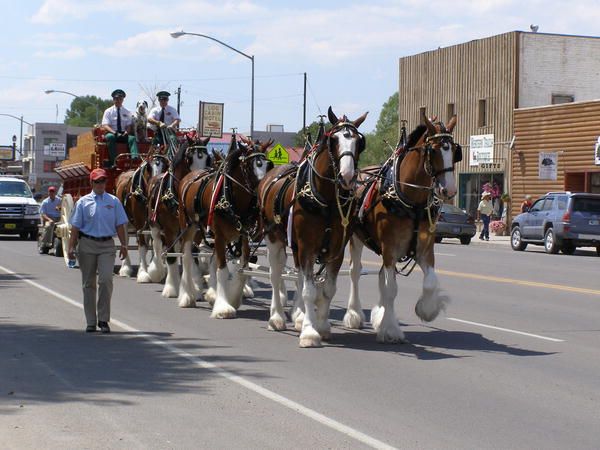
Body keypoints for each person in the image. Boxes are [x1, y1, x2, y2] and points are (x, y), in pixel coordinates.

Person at [67, 168, 129, 334]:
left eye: (103, 181)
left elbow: (120, 224)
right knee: (88, 284)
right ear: (91, 183)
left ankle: (103, 319)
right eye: (97, 181)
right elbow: (75, 227)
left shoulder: (114, 201)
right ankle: (91, 321)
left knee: (106, 280)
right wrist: (71, 247)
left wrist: (124, 245)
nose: (100, 184)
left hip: (107, 245)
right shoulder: (83, 202)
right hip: (87, 244)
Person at [101, 89, 139, 167]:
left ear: (123, 100)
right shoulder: (108, 111)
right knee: (110, 137)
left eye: (120, 99)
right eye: (116, 99)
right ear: (113, 100)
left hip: (123, 133)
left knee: (132, 138)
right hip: (112, 133)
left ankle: (135, 158)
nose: (118, 101)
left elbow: (129, 125)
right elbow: (105, 125)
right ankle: (114, 161)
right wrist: (114, 133)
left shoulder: (127, 111)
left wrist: (126, 132)